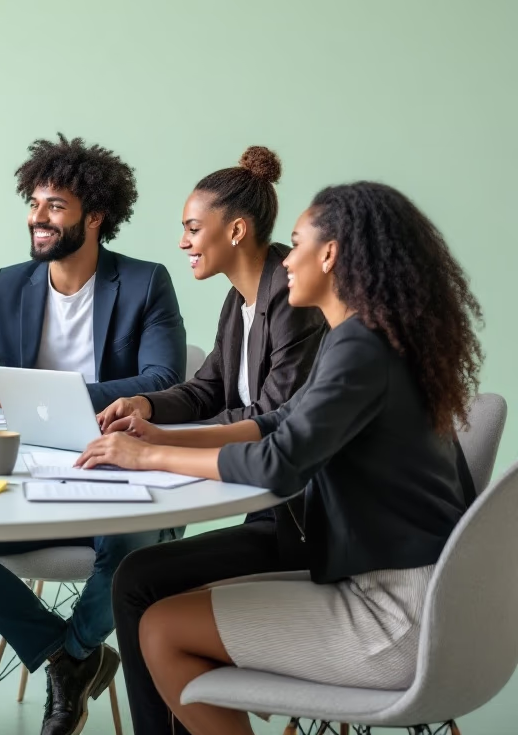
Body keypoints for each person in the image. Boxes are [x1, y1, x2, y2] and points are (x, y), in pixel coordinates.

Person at [84, 182, 481, 735]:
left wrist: (151, 457)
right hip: (419, 598)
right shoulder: (368, 338)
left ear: (331, 254)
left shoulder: (359, 348)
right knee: (157, 610)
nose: (286, 258)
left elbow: (277, 463)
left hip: (394, 619)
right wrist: (155, 439)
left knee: (161, 629)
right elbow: (276, 423)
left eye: (296, 244)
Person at [0, 134, 187, 735]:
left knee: (132, 547)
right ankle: (66, 656)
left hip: (113, 460)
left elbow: (163, 378)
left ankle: (69, 660)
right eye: (35, 203)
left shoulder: (146, 282)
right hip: (27, 472)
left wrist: (39, 392)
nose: (37, 218)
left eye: (54, 206)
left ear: (94, 216)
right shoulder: (10, 284)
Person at [97, 146, 324, 432]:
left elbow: (273, 413)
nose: (183, 242)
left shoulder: (291, 295)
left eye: (193, 229)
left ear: (236, 231)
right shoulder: (238, 300)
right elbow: (206, 390)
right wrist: (144, 405)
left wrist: (172, 439)